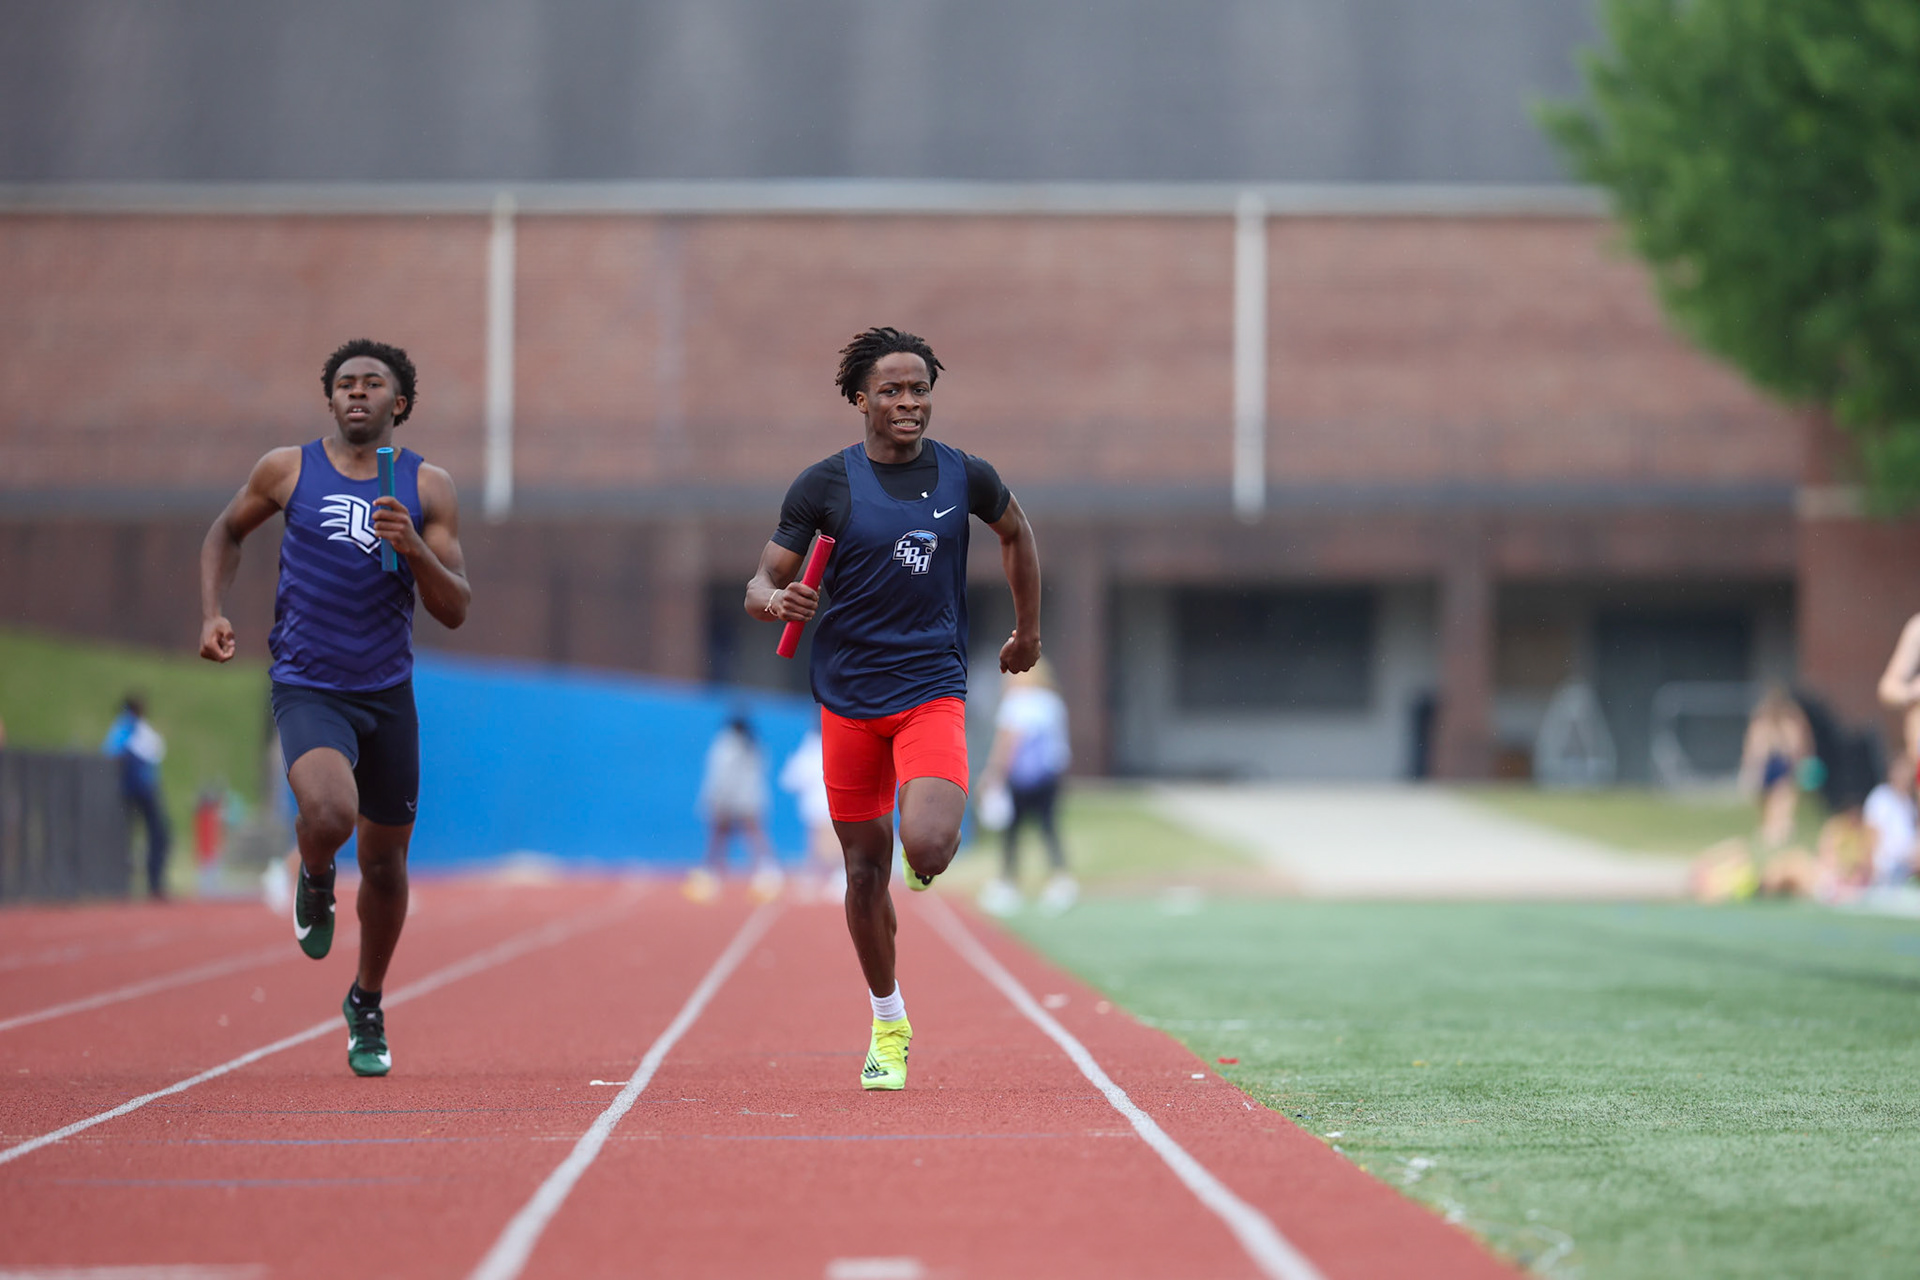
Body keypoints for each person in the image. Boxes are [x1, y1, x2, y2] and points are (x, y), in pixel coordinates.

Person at [746, 326, 1041, 1091]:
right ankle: (889, 1020)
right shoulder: (824, 486)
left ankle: (924, 855)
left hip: (930, 688)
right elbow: (758, 585)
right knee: (862, 871)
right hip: (846, 696)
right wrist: (780, 599)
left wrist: (1027, 629)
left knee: (932, 846)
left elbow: (1017, 533)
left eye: (919, 390)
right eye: (892, 391)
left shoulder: (963, 475)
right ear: (860, 400)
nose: (908, 403)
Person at [199, 338, 470, 1077]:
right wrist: (212, 613)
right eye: (345, 384)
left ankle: (367, 1000)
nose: (357, 393)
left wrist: (414, 548)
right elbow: (225, 530)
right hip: (308, 682)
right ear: (331, 399)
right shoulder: (287, 470)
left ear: (398, 403)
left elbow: (456, 607)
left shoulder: (429, 487)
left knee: (385, 869)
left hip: (386, 694)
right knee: (327, 814)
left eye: (372, 384)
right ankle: (315, 872)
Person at [976, 659, 1075, 917]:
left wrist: (993, 774)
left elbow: (1008, 742)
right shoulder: (1052, 702)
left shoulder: (1015, 702)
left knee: (1012, 832)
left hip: (1020, 777)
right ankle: (1061, 880)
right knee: (1048, 828)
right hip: (1049, 776)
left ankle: (1008, 884)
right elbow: (1059, 742)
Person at [688, 714, 782, 902]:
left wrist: (714, 799)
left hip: (730, 798)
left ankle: (710, 874)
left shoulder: (725, 744)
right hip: (750, 797)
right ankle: (769, 871)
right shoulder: (755, 745)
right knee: (753, 834)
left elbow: (719, 775)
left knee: (719, 836)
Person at [102, 695, 169, 900]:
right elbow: (112, 751)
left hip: (135, 791)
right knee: (153, 836)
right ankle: (148, 885)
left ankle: (134, 885)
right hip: (136, 791)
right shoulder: (128, 727)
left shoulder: (130, 727)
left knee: (145, 837)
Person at [1738, 686, 1814, 847]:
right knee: (1768, 802)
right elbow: (1754, 748)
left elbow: (1798, 746)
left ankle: (1780, 830)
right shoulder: (1763, 722)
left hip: (1781, 763)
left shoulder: (1790, 720)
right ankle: (1772, 831)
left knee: (1782, 800)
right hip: (1770, 763)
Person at [779, 728, 843, 903]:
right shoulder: (835, 746)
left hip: (817, 806)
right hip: (831, 804)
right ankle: (829, 878)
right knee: (829, 845)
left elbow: (790, 780)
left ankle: (834, 878)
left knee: (823, 846)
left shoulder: (806, 752)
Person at [1861, 752, 1918, 887]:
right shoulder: (1881, 798)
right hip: (1888, 865)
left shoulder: (1908, 803)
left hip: (1908, 862)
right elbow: (1870, 833)